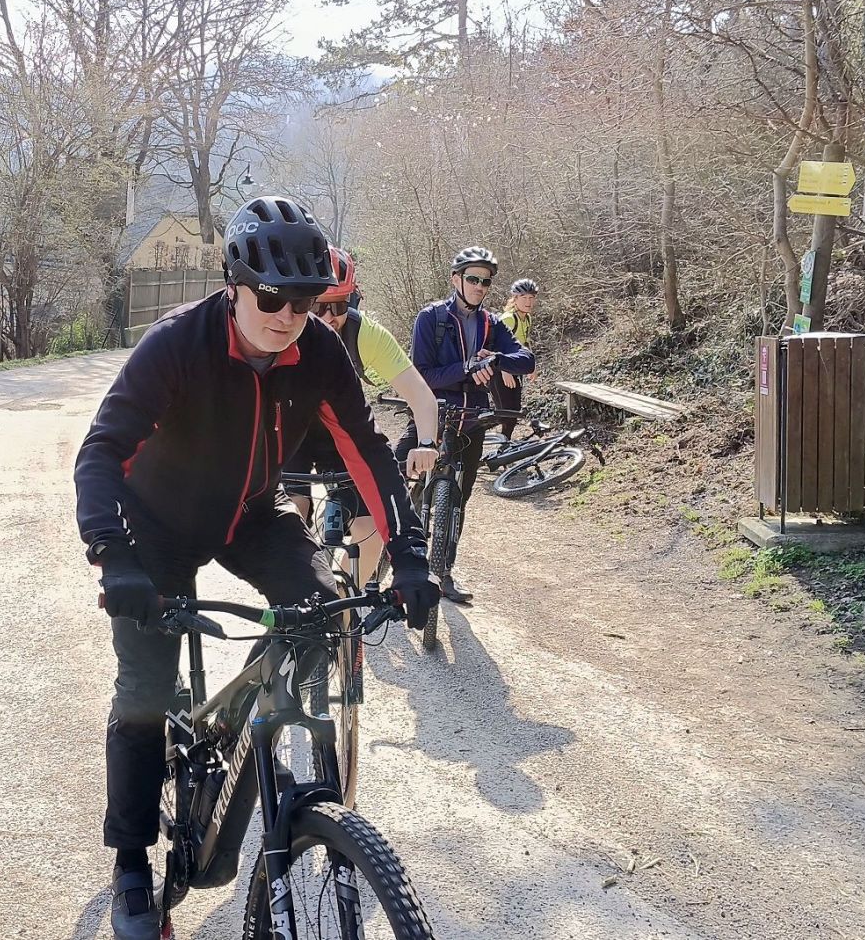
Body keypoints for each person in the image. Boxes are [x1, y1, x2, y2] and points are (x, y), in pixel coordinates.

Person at [73, 196, 440, 940]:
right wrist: (112, 555)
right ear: (234, 285)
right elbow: (101, 452)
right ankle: (133, 863)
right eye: (271, 299)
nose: (287, 316)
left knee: (320, 610)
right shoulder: (176, 345)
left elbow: (368, 453)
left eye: (304, 302)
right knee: (144, 691)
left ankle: (267, 740)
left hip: (248, 513)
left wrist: (408, 554)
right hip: (156, 527)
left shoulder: (320, 352)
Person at [283, 247, 440, 590]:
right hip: (293, 430)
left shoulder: (364, 333)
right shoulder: (279, 328)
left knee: (370, 532)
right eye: (317, 306)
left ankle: (340, 602)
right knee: (291, 511)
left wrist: (427, 442)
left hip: (344, 430)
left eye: (339, 306)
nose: (328, 317)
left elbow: (421, 395)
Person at [401, 246, 534, 605]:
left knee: (460, 497)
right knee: (399, 478)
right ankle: (397, 554)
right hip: (432, 415)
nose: (479, 286)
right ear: (455, 279)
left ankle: (444, 572)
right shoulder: (431, 318)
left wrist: (497, 358)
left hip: (472, 419)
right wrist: (466, 368)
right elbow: (421, 374)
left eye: (485, 281)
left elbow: (527, 359)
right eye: (473, 278)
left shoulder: (491, 323)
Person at [494, 277, 540, 443]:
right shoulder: (508, 318)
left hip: (515, 367)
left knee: (513, 411)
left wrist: (531, 365)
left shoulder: (526, 318)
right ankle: (495, 442)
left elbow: (524, 343)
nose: (528, 302)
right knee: (506, 413)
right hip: (499, 369)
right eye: (524, 297)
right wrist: (504, 371)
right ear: (515, 298)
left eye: (531, 298)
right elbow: (494, 345)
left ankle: (504, 444)